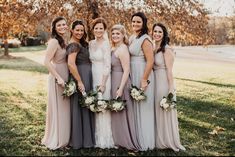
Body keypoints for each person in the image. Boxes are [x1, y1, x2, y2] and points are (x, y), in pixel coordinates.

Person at [152, 23, 186, 152]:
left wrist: (171, 89)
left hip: (164, 83)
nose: (157, 34)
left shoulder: (167, 49)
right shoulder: (155, 47)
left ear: (164, 34)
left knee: (164, 110)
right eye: (155, 31)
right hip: (155, 82)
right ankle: (158, 138)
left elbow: (170, 71)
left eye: (160, 32)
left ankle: (167, 140)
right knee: (157, 110)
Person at [110, 24, 141, 150]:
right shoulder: (114, 47)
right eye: (113, 33)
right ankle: (117, 138)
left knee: (121, 111)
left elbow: (126, 69)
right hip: (114, 79)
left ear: (123, 35)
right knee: (116, 111)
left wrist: (121, 88)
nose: (115, 36)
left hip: (120, 80)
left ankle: (124, 140)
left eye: (118, 33)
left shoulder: (123, 49)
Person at [41, 16, 70, 150]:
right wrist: (58, 77)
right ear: (54, 27)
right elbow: (46, 61)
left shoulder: (64, 40)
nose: (62, 27)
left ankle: (65, 136)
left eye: (64, 24)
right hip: (57, 76)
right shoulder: (53, 41)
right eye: (59, 25)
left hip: (65, 74)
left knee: (65, 108)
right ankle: (58, 139)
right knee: (59, 108)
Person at [128, 12, 155, 151]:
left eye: (138, 22)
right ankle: (136, 139)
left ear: (144, 23)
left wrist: (144, 79)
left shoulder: (145, 39)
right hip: (133, 72)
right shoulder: (133, 37)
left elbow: (150, 61)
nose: (135, 24)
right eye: (133, 22)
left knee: (143, 107)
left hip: (142, 73)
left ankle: (146, 142)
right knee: (135, 107)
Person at [67, 20, 95, 149]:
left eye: (81, 30)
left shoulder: (81, 43)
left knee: (86, 104)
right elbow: (71, 64)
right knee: (81, 105)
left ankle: (88, 137)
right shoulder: (73, 45)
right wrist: (79, 81)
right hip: (81, 75)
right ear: (72, 30)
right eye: (77, 30)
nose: (79, 32)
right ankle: (81, 140)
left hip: (87, 75)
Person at [89, 17, 114, 148]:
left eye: (101, 28)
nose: (98, 30)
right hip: (92, 76)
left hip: (103, 77)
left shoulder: (106, 44)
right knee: (94, 104)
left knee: (103, 104)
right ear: (93, 30)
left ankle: (104, 139)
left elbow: (107, 65)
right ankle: (94, 137)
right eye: (96, 28)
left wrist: (103, 83)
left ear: (104, 30)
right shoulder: (90, 43)